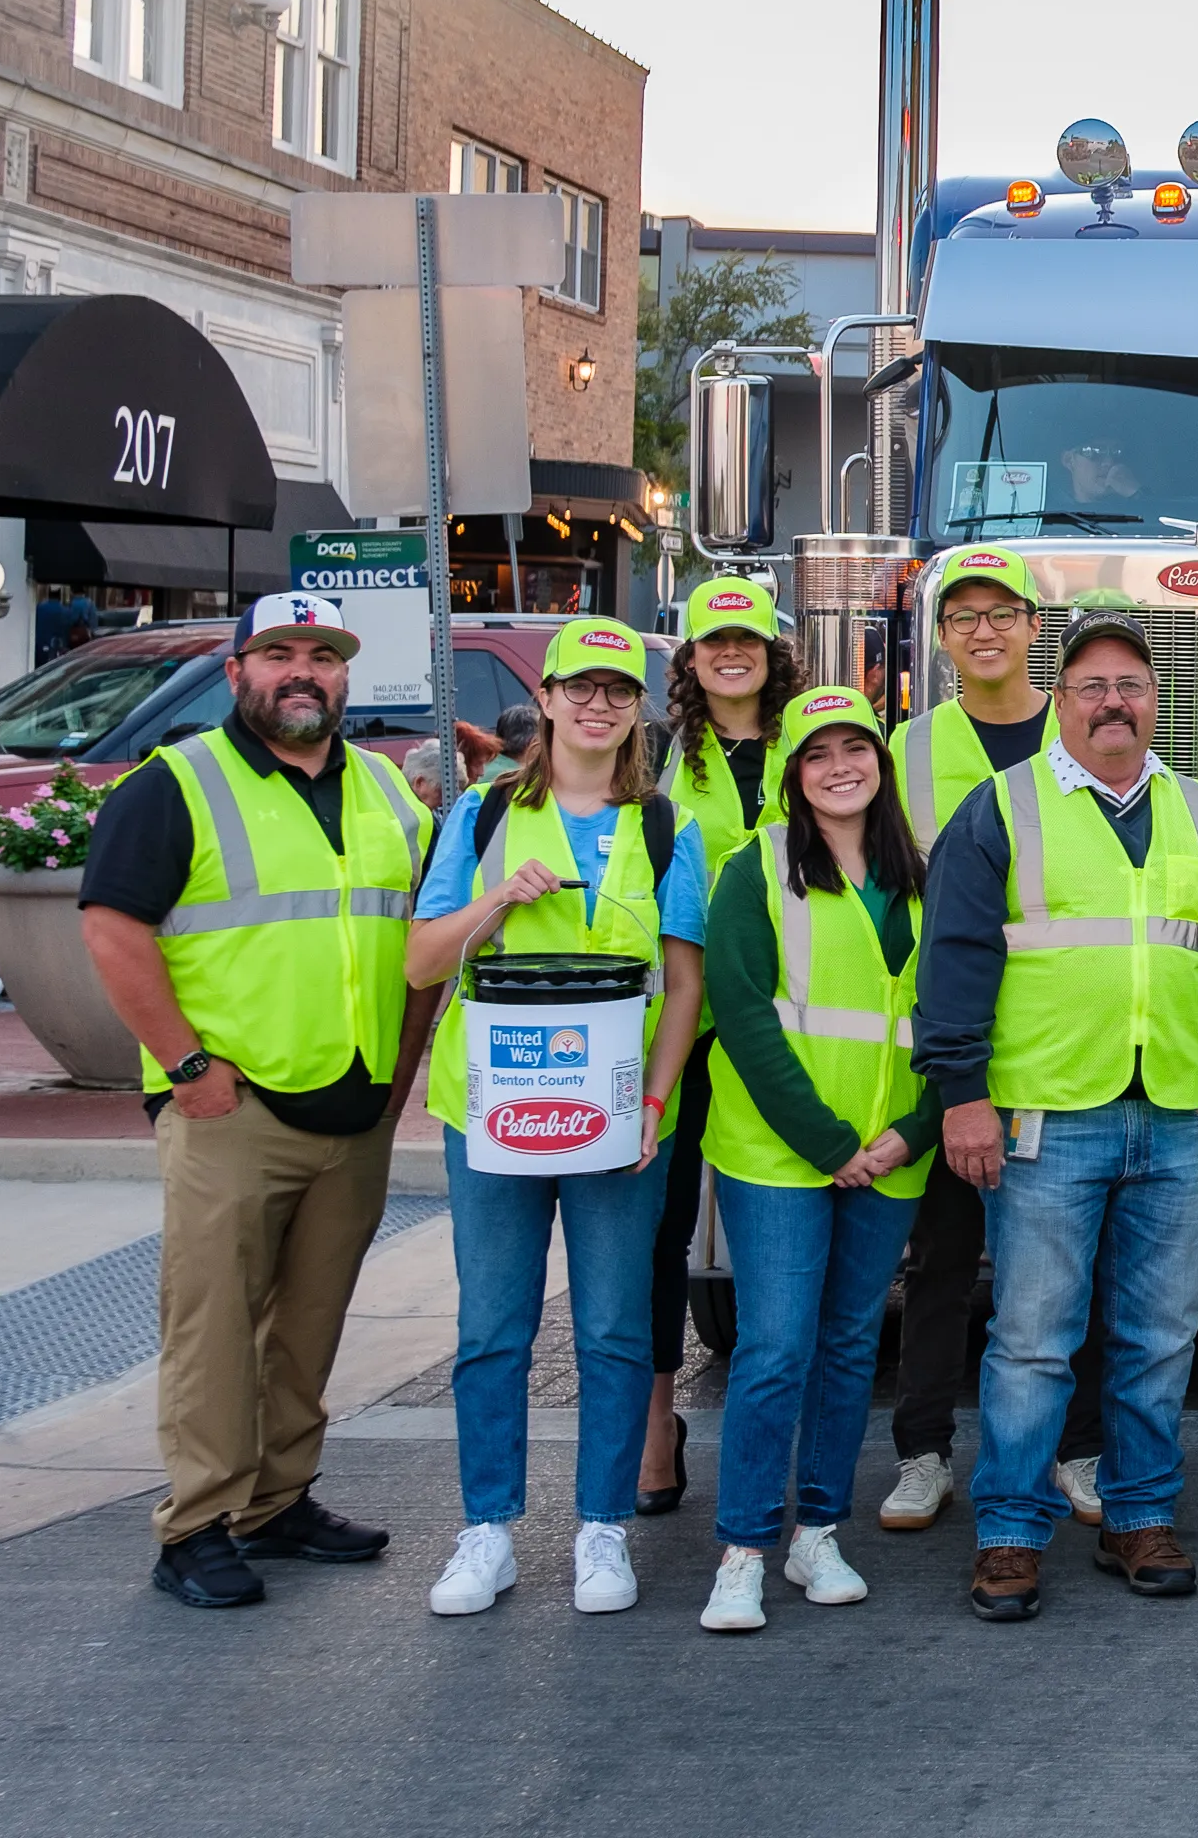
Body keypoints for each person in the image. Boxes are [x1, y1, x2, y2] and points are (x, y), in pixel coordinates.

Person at [914, 610, 1198, 1622]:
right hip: (1043, 1117)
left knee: (1161, 1336)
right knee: (1033, 1340)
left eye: (1131, 685)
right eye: (1091, 687)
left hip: (1171, 1117)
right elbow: (953, 963)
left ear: (1156, 701)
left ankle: (1139, 1516)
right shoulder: (1002, 809)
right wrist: (963, 1096)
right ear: (1061, 702)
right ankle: (1012, 1535)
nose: (1113, 702)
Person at [74, 596, 430, 1609]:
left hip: (354, 1110)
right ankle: (194, 1526)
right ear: (236, 673)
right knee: (215, 1328)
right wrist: (189, 1069)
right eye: (279, 653)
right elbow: (112, 931)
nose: (302, 671)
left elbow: (416, 949)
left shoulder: (386, 795)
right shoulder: (175, 785)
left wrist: (399, 1078)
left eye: (323, 655)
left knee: (309, 1324)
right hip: (234, 1110)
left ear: (346, 676)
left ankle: (276, 1502)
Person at [405, 616, 710, 1619]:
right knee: (493, 1327)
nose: (596, 704)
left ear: (637, 710)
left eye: (618, 691)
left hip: (613, 1120)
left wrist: (658, 1104)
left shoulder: (668, 829)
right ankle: (487, 1529)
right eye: (578, 686)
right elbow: (420, 961)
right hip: (492, 1114)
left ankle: (601, 1531)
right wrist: (494, 905)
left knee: (617, 1328)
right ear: (545, 698)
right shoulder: (482, 818)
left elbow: (682, 986)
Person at [693, 685, 940, 1631]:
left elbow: (955, 1018)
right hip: (782, 1157)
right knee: (775, 1349)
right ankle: (745, 1547)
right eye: (818, 753)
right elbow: (746, 1017)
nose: (842, 767)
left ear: (879, 765)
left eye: (858, 750)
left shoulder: (917, 876)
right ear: (793, 776)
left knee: (846, 1350)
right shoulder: (753, 869)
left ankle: (818, 1534)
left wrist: (908, 1134)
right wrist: (833, 1145)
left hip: (891, 1156)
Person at [881, 544, 1102, 1541]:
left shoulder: (1086, 740)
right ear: (940, 637)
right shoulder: (908, 749)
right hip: (959, 1046)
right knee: (943, 1258)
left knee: (1067, 1266)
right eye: (961, 615)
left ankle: (1074, 1449)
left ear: (1030, 628)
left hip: (1066, 1047)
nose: (982, 629)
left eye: (1001, 612)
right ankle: (924, 1452)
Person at [642, 575, 806, 1522]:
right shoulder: (655, 755)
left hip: (796, 1020)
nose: (732, 652)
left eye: (748, 638)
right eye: (714, 642)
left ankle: (796, 1444)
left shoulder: (822, 739)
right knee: (660, 1229)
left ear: (773, 649)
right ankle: (660, 1423)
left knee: (786, 1236)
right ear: (692, 660)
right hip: (685, 1024)